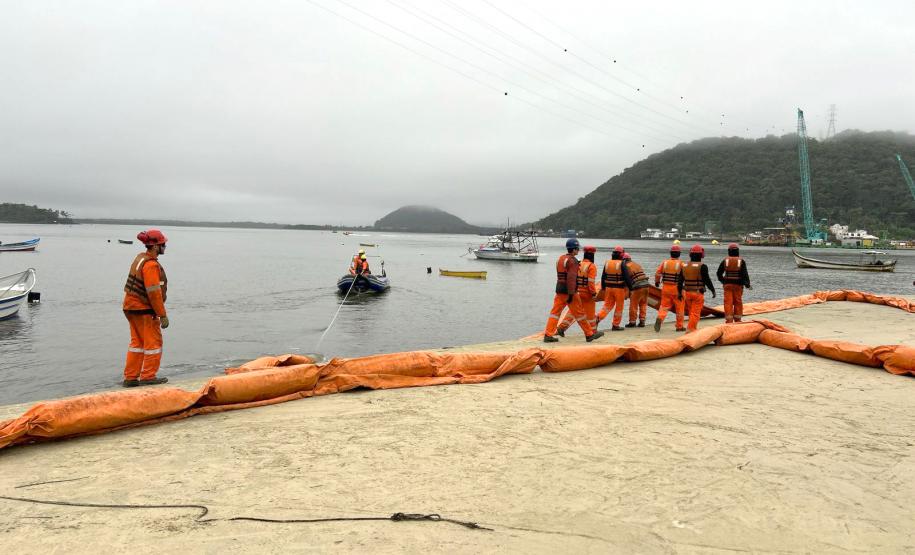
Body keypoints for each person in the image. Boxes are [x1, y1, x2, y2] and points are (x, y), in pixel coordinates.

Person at [122, 229, 170, 387]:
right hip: (144, 310)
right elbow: (154, 293)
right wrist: (162, 315)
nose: (165, 246)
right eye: (163, 244)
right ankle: (148, 376)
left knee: (137, 344)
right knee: (153, 344)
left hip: (131, 307)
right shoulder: (150, 265)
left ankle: (130, 378)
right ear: (155, 246)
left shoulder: (140, 259)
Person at [543, 239, 604, 343]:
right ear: (574, 249)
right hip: (570, 292)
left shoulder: (560, 259)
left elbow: (560, 275)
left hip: (559, 290)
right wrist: (571, 294)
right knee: (580, 314)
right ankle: (589, 334)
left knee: (554, 313)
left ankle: (548, 334)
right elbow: (571, 278)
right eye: (577, 249)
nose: (578, 251)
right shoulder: (573, 261)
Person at [557, 245, 600, 336]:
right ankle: (593, 332)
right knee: (590, 314)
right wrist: (593, 294)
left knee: (572, 312)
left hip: (577, 292)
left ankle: (561, 328)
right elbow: (591, 282)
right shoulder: (591, 266)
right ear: (592, 255)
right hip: (587, 294)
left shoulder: (579, 263)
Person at [678, 244, 716, 332]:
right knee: (695, 313)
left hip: (687, 293)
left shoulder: (684, 265)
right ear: (701, 255)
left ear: (690, 254)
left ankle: (692, 328)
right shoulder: (702, 266)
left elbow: (680, 281)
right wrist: (712, 290)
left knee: (691, 312)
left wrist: (679, 293)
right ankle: (691, 330)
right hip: (698, 293)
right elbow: (707, 280)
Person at [596, 245, 631, 331]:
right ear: (621, 254)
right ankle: (615, 325)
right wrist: (631, 288)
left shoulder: (607, 263)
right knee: (619, 307)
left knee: (607, 306)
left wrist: (603, 288)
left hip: (608, 288)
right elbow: (627, 278)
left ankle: (598, 318)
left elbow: (603, 276)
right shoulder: (622, 263)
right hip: (619, 289)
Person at [653, 244, 686, 332]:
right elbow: (686, 276)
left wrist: (656, 282)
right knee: (680, 308)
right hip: (677, 289)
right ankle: (679, 326)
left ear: (670, 253)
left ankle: (660, 318)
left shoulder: (665, 263)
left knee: (664, 306)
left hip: (666, 288)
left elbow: (657, 273)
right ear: (679, 254)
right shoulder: (682, 264)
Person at [716, 242, 752, 323]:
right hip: (738, 286)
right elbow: (745, 274)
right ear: (738, 251)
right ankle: (738, 320)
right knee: (738, 302)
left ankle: (729, 321)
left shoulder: (725, 261)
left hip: (727, 285)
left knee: (728, 303)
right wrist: (747, 284)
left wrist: (723, 281)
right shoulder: (741, 261)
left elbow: (718, 273)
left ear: (729, 251)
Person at [622, 252, 649, 327]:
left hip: (637, 287)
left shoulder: (626, 266)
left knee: (633, 305)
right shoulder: (637, 264)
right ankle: (642, 321)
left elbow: (626, 280)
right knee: (643, 304)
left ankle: (632, 322)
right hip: (646, 285)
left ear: (624, 260)